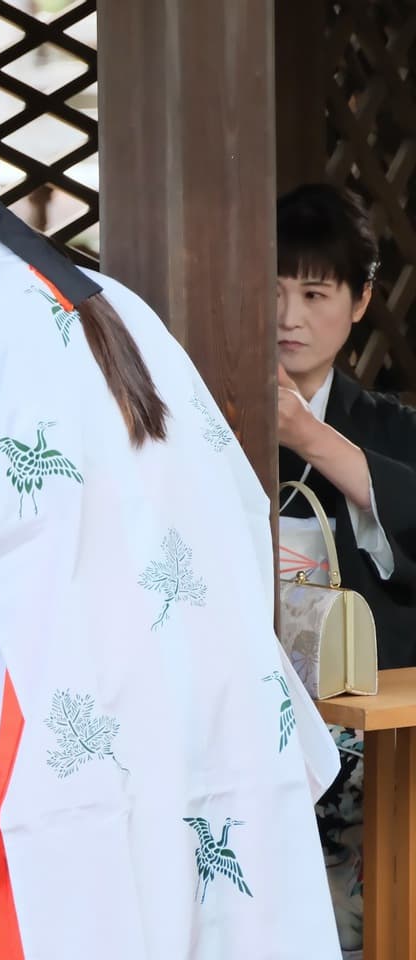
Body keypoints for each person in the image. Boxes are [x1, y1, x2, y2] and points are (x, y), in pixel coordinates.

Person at [0, 136, 340, 958]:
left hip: (50, 687)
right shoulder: (113, 300)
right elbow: (235, 498)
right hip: (195, 669)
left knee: (70, 898)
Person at [276, 182, 416, 958]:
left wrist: (309, 436)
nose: (287, 316)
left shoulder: (389, 431)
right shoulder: (198, 420)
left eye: (314, 291)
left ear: (360, 300)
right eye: (270, 289)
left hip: (361, 735)